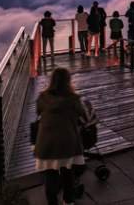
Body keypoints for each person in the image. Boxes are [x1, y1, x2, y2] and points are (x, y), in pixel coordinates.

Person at [34, 67, 86, 205]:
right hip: (67, 142)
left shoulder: (42, 97)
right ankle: (68, 201)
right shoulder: (73, 99)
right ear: (68, 81)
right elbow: (83, 115)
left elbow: (38, 112)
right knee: (67, 172)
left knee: (50, 173)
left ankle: (52, 202)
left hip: (46, 143)